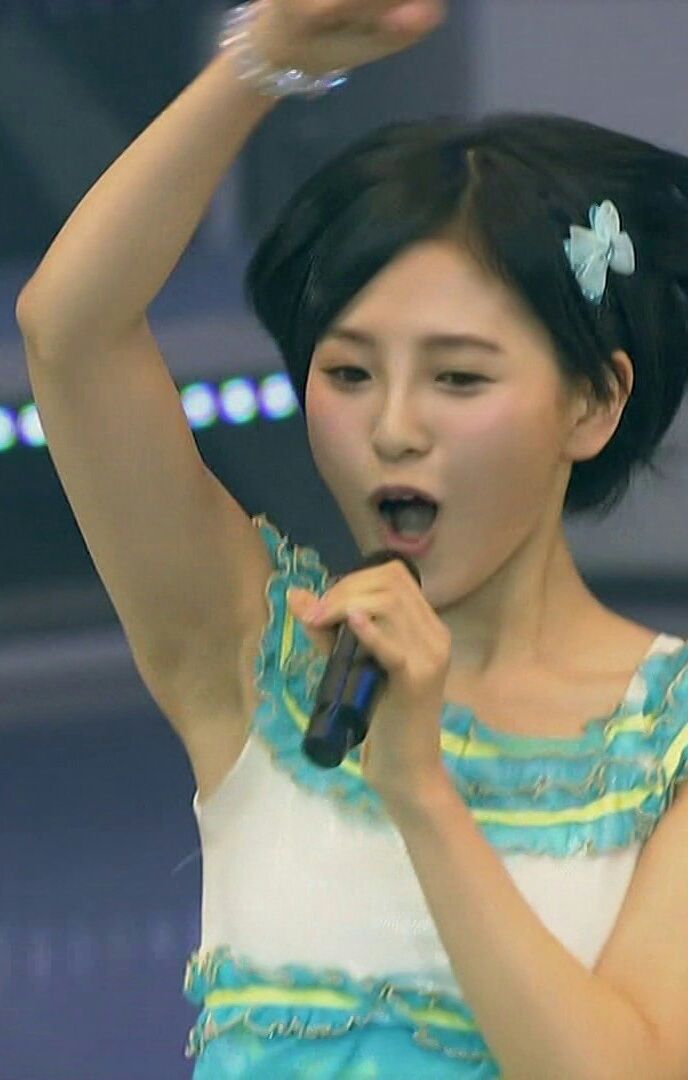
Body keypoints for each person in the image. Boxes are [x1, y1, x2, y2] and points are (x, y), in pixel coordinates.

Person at [14, 0, 688, 1076]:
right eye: (348, 373)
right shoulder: (252, 652)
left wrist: (418, 788)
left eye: (458, 377)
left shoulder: (671, 738)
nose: (393, 428)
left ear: (594, 402)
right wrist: (261, 62)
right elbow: (70, 330)